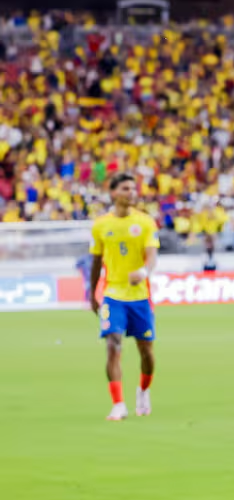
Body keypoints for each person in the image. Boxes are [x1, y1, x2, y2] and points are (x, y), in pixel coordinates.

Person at [89, 172, 159, 422]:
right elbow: (96, 262)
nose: (132, 193)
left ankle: (144, 390)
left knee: (146, 353)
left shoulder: (146, 222)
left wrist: (143, 271)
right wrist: (92, 293)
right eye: (126, 189)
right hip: (113, 295)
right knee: (113, 344)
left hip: (140, 297)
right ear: (114, 193)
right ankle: (118, 404)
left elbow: (152, 256)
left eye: (134, 188)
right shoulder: (101, 225)